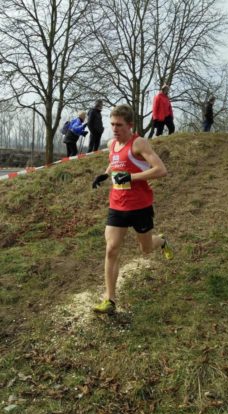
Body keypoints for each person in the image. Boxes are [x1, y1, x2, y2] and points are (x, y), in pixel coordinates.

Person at [92, 104, 174, 314]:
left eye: (119, 125)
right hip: (117, 204)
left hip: (140, 206)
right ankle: (110, 300)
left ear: (130, 125)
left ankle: (162, 241)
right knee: (111, 249)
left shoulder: (139, 143)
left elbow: (161, 170)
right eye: (112, 124)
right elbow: (115, 163)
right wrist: (104, 174)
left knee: (146, 249)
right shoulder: (111, 144)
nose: (115, 128)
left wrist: (131, 177)